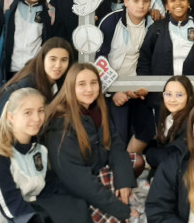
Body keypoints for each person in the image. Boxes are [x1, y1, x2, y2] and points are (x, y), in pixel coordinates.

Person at [0, 88, 88, 223]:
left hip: (29, 209)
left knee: (77, 207)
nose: (37, 118)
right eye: (28, 112)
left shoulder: (40, 150)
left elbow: (49, 187)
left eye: (40, 111)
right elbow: (12, 207)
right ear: (11, 117)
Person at [44, 63, 139, 222]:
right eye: (81, 84)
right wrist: (121, 210)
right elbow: (79, 181)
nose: (89, 89)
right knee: (121, 218)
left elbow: (115, 145)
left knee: (135, 163)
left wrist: (123, 181)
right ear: (70, 87)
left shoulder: (97, 108)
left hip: (95, 171)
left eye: (93, 83)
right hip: (70, 190)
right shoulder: (60, 122)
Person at [97, 0, 153, 175]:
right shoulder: (111, 21)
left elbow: (149, 60)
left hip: (136, 86)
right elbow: (98, 59)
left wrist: (139, 86)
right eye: (136, 1)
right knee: (118, 133)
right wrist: (113, 91)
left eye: (145, 1)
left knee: (147, 128)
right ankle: (116, 174)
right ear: (126, 1)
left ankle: (126, 169)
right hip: (109, 88)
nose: (141, 5)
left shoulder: (153, 24)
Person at [0, 37, 74, 137]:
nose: (58, 65)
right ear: (42, 59)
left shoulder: (57, 83)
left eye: (64, 60)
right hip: (6, 141)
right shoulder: (27, 86)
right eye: (53, 59)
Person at [137, 0, 194, 77]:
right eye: (172, 0)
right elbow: (144, 61)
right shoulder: (156, 29)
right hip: (161, 86)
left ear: (188, 2)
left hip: (192, 85)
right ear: (166, 5)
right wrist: (146, 84)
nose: (178, 3)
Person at [144, 75, 194, 171]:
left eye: (179, 95)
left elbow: (173, 158)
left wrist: (150, 153)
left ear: (189, 97)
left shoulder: (191, 122)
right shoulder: (166, 118)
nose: (172, 100)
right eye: (168, 94)